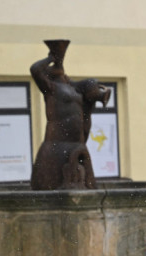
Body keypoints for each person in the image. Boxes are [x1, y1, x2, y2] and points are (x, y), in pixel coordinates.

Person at [30, 40, 110, 190]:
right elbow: (35, 69)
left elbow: (91, 88)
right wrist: (51, 58)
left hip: (76, 144)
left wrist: (99, 94)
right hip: (56, 146)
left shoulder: (72, 87)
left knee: (88, 187)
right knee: (49, 191)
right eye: (56, 64)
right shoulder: (51, 88)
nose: (59, 66)